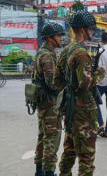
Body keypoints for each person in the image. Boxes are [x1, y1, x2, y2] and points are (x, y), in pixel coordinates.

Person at [53, 10, 106, 176]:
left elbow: (56, 80)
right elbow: (85, 84)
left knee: (69, 150)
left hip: (69, 109)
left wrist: (70, 89)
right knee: (86, 157)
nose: (92, 32)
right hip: (84, 112)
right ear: (83, 29)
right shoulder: (82, 53)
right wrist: (100, 73)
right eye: (91, 29)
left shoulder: (67, 49)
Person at [33, 22, 64, 176]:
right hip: (50, 104)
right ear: (50, 38)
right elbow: (53, 84)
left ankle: (39, 172)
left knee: (42, 138)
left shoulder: (42, 52)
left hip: (43, 104)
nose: (61, 38)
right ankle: (48, 173)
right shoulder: (47, 55)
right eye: (59, 35)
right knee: (52, 139)